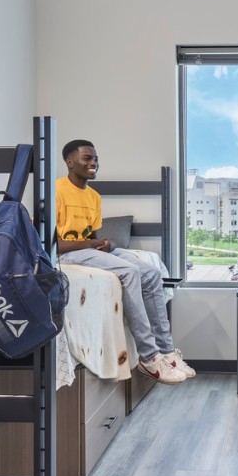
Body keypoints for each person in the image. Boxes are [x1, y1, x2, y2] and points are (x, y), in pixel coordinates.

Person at [56, 139, 193, 384]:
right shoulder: (55, 191)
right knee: (130, 272)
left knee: (151, 273)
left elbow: (93, 238)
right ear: (69, 162)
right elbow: (51, 244)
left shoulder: (94, 197)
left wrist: (105, 245)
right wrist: (93, 245)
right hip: (65, 253)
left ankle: (167, 352)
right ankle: (149, 358)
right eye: (87, 158)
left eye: (96, 158)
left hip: (88, 249)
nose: (94, 162)